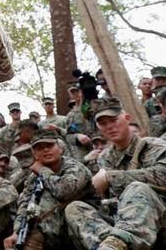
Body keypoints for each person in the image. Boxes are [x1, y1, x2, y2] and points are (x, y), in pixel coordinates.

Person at [65, 98, 166, 250]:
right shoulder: (104, 158)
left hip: (157, 219)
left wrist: (110, 176)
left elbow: (163, 175)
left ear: (127, 118)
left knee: (137, 188)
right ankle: (109, 245)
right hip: (121, 221)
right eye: (103, 123)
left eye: (113, 120)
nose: (109, 127)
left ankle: (115, 245)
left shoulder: (153, 145)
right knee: (74, 208)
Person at [3, 130, 93, 250]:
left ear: (60, 149)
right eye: (40, 148)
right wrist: (18, 231)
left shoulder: (74, 167)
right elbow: (26, 203)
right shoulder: (34, 177)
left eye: (50, 146)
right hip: (52, 229)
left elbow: (64, 191)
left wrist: (42, 170)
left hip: (81, 224)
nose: (45, 150)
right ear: (35, 154)